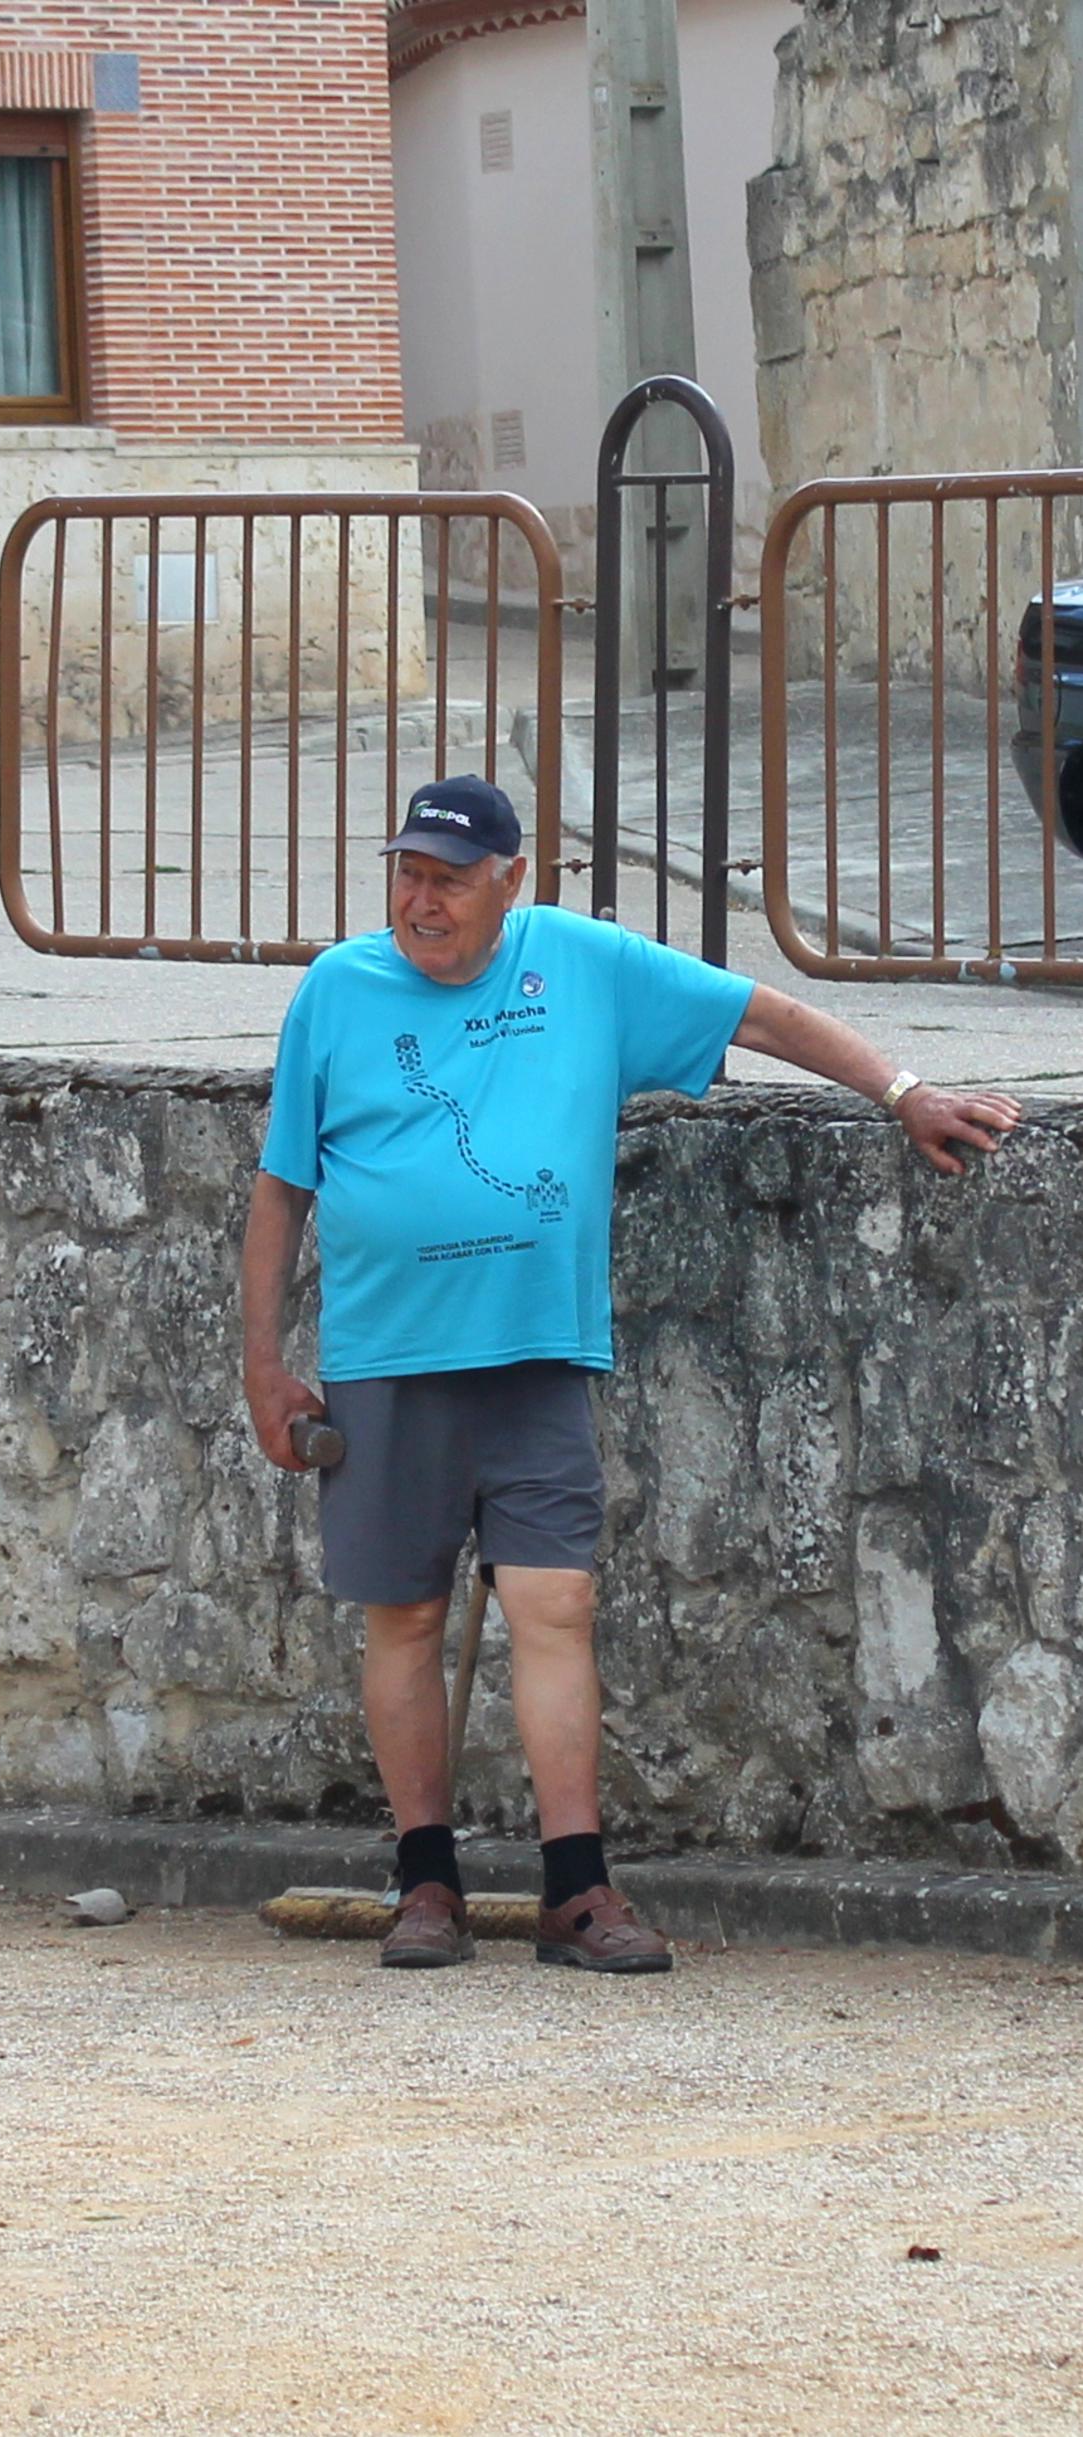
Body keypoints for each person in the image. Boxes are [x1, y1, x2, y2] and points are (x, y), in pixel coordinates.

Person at [242, 773, 1018, 1972]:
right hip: (384, 1354)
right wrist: (261, 1366)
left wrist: (903, 1093)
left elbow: (759, 1013)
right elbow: (281, 1183)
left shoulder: (581, 965)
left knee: (554, 1605)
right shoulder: (336, 991)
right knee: (401, 1614)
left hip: (533, 1353)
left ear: (512, 878)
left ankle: (574, 1888)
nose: (421, 896)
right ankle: (424, 1881)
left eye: (450, 876)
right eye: (407, 871)